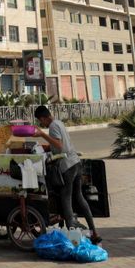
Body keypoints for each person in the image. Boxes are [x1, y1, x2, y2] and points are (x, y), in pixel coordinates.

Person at [33, 104, 100, 245]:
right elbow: (59, 144)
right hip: (75, 163)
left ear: (44, 118)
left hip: (67, 167)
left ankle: (72, 238)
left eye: (41, 121)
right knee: (79, 197)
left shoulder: (52, 126)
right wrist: (46, 146)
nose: (41, 124)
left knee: (66, 200)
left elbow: (59, 145)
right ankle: (94, 232)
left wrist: (42, 134)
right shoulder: (59, 123)